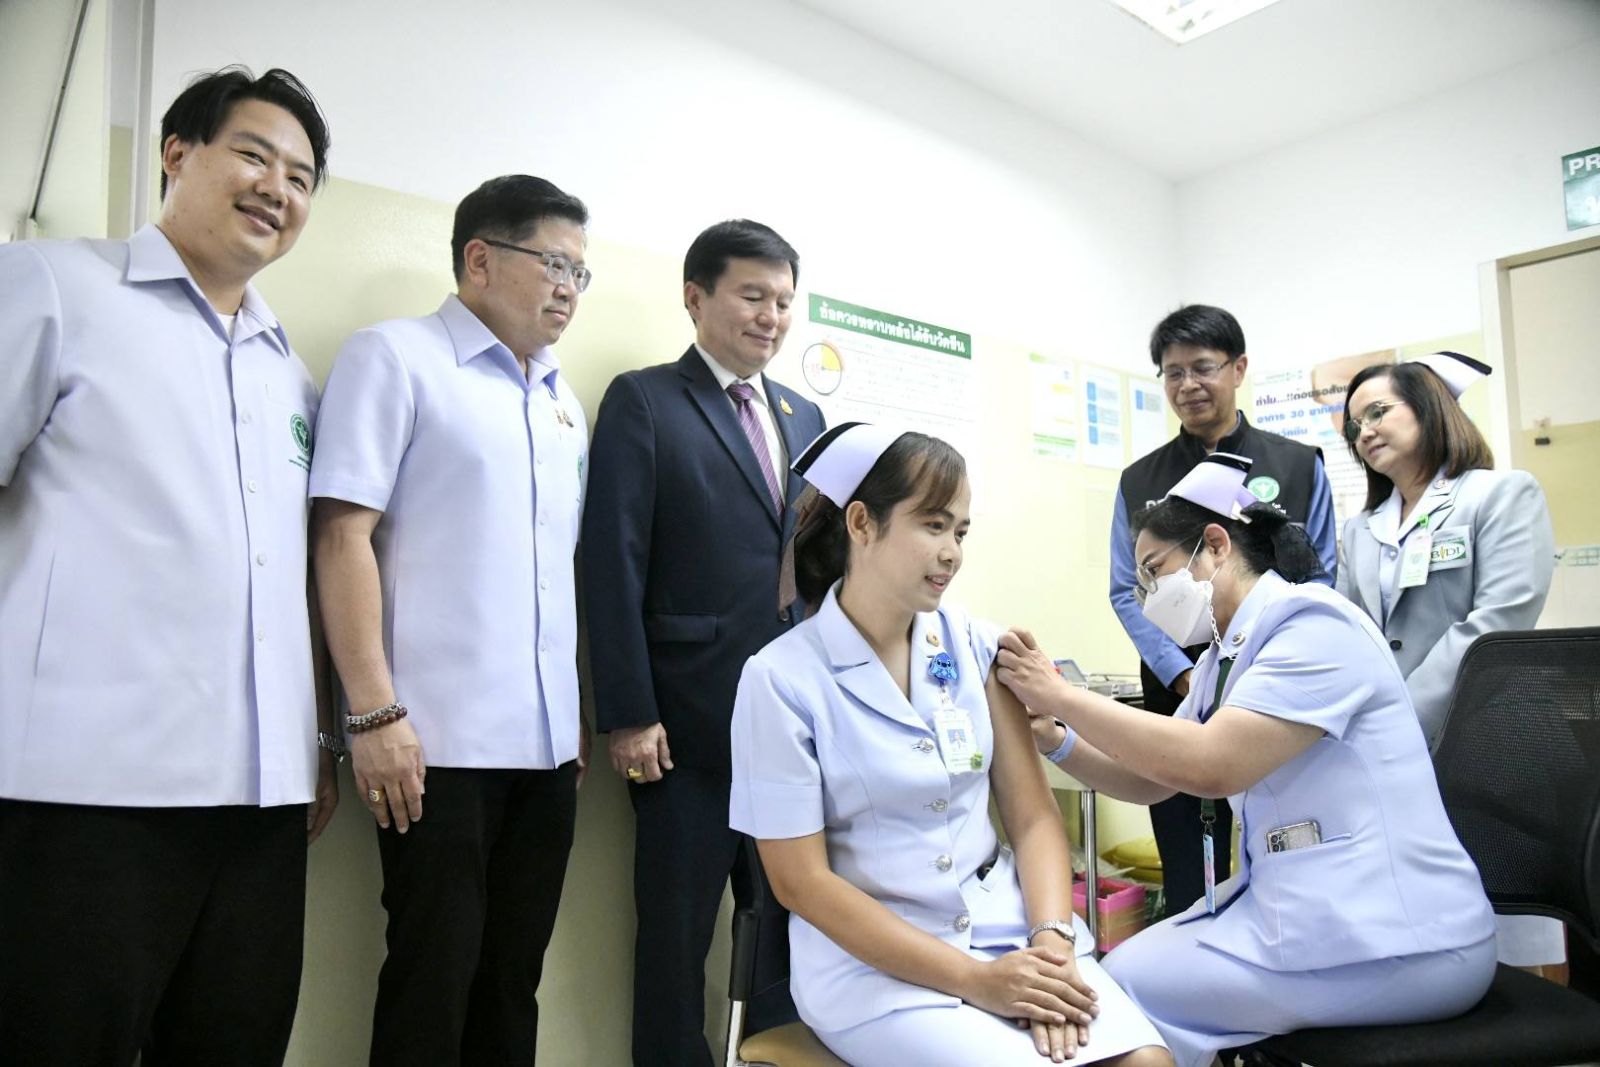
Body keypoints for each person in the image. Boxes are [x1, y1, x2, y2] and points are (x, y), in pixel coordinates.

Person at [0, 66, 336, 1064]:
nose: (278, 188)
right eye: (254, 155)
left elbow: (288, 580)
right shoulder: (54, 286)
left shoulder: (289, 371)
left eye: (301, 177)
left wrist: (315, 741)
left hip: (261, 805)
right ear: (176, 154)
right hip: (83, 793)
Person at [1004, 453, 1496, 1067]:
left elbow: (1213, 765)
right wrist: (1055, 737)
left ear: (1215, 545)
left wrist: (1060, 695)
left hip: (1403, 940)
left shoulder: (1314, 625)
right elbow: (1153, 779)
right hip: (1316, 916)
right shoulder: (1224, 656)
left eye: (1155, 572)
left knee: (1119, 989)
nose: (1150, 597)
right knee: (1120, 970)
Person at [730, 423, 1170, 1067]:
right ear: (862, 523)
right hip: (876, 966)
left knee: (1147, 1061)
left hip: (1010, 928)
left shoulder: (976, 648)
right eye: (933, 526)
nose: (952, 553)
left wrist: (1051, 940)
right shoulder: (781, 680)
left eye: (961, 532)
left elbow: (1032, 816)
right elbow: (802, 883)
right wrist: (976, 982)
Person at [310, 175, 591, 1064]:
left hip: (548, 755)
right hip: (433, 748)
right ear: (479, 258)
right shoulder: (395, 357)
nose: (569, 289)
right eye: (554, 264)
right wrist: (371, 712)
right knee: (432, 979)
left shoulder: (563, 401)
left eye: (581, 274)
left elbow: (554, 571)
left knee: (511, 984)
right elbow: (341, 536)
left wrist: (570, 720)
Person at [582, 219, 826, 1066]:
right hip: (682, 732)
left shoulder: (805, 414)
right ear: (696, 297)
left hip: (789, 732)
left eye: (784, 302)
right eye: (753, 295)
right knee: (675, 942)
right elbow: (611, 561)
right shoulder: (645, 400)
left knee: (790, 935)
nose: (771, 317)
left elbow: (816, 566)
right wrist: (628, 711)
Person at [1337, 351, 1562, 975]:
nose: (1364, 432)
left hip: (1491, 740)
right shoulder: (1361, 530)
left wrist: (1399, 716)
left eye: (1378, 412)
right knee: (1426, 927)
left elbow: (1498, 621)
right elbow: (1352, 634)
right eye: (1355, 425)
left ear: (1430, 409)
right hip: (1394, 751)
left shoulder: (1499, 494)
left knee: (1511, 927)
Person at [1111, 304, 1337, 917]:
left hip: (1276, 684)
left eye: (1203, 367)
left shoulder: (1298, 464)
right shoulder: (1139, 479)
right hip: (1178, 684)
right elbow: (1126, 589)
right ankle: (1190, 940)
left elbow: (1321, 577)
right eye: (1173, 372)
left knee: (1286, 829)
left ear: (1238, 369)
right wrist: (1184, 673)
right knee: (1183, 842)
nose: (1188, 384)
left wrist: (1256, 666)